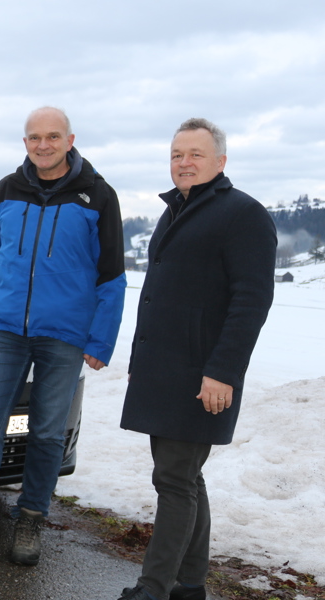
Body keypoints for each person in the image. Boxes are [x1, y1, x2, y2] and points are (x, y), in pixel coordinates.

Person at [0, 107, 126, 567]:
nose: (43, 145)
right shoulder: (9, 189)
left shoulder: (98, 196)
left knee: (48, 433)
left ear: (70, 140)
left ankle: (31, 519)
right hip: (6, 328)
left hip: (64, 335)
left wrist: (100, 339)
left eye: (52, 137)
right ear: (25, 142)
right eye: (34, 137)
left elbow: (111, 276)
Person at [116, 119, 276, 600]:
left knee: (173, 479)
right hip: (163, 371)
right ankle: (189, 586)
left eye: (195, 154)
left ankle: (154, 587)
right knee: (185, 477)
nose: (183, 162)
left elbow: (251, 300)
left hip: (201, 375)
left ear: (221, 162)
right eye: (176, 154)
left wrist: (223, 372)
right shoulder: (176, 212)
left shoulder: (242, 214)